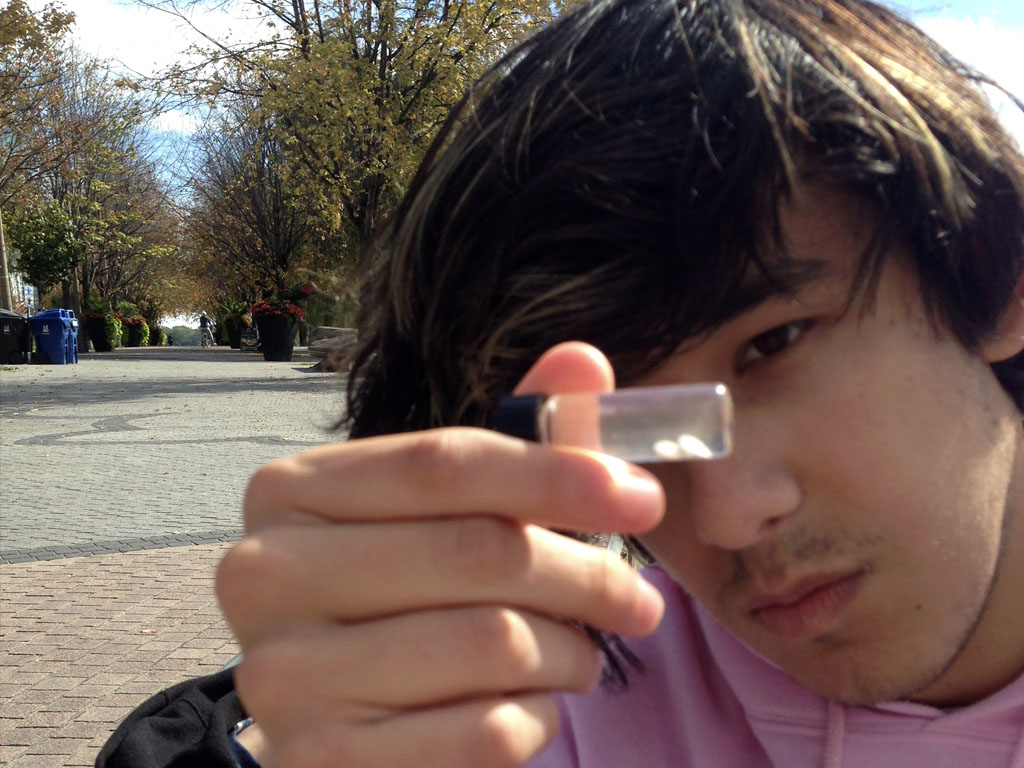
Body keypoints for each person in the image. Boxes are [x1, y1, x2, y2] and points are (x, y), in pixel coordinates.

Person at [97, 0, 1024, 765]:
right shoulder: (534, 719)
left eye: (775, 343)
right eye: (630, 428)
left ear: (998, 280)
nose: (729, 515)